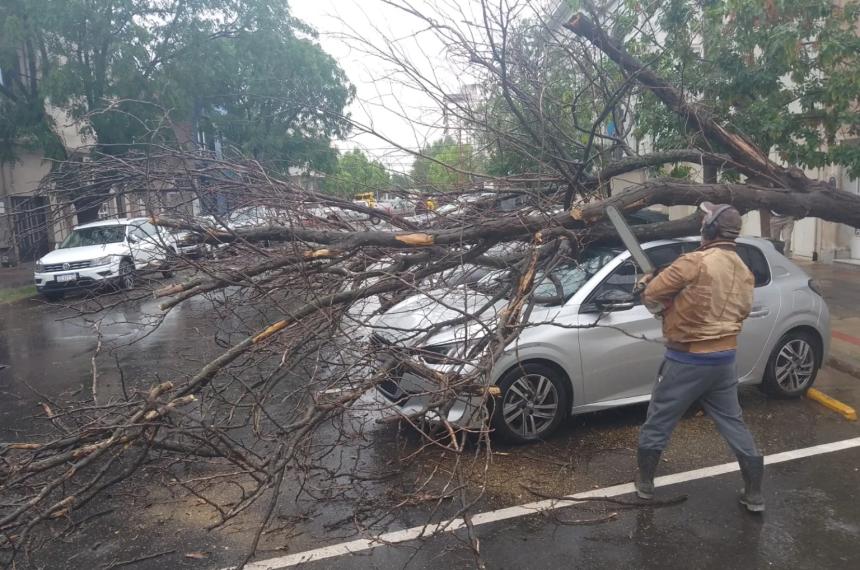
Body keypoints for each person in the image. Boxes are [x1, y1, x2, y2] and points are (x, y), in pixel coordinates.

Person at [634, 202, 764, 513]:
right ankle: (755, 493)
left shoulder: (693, 262)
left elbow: (652, 296)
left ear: (709, 230)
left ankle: (645, 484)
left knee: (660, 418)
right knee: (733, 422)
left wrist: (644, 282)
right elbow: (743, 311)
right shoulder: (743, 270)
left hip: (687, 360)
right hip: (724, 361)